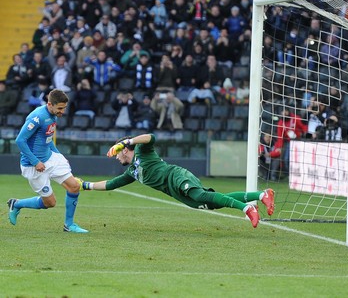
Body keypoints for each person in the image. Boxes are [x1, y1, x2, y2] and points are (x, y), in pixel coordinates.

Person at [78, 134, 275, 228]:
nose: (115, 156)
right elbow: (110, 184)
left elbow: (150, 137)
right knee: (211, 202)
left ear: (125, 150)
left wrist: (126, 142)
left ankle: (247, 208)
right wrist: (84, 185)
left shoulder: (140, 151)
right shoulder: (132, 172)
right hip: (173, 191)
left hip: (176, 176)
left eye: (117, 152)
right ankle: (261, 195)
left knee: (199, 194)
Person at [7, 89, 88, 233]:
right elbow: (20, 140)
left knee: (74, 186)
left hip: (50, 157)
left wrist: (59, 156)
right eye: (60, 108)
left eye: (64, 108)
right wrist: (35, 161)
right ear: (50, 104)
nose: (62, 111)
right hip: (33, 165)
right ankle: (17, 204)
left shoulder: (53, 115)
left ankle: (69, 225)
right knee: (50, 203)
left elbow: (48, 139)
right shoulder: (37, 117)